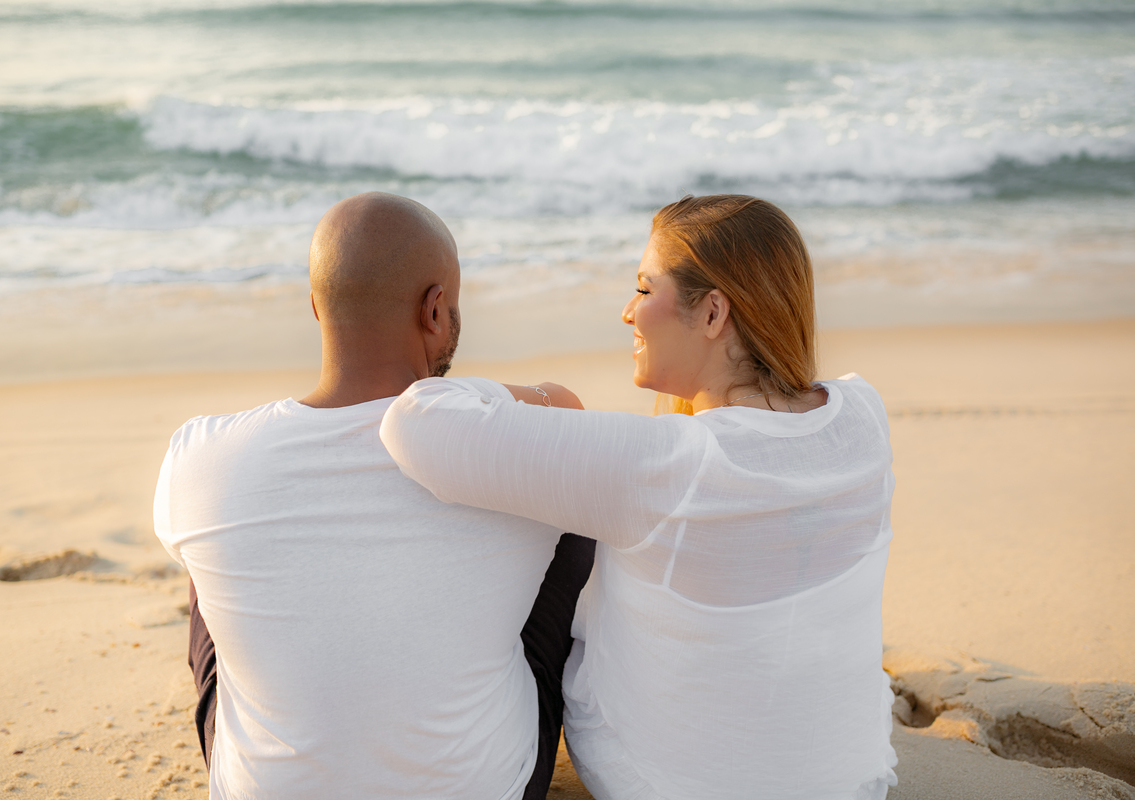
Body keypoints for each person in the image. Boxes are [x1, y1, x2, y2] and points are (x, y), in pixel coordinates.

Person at [380, 195, 899, 799]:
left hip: (665, 784)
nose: (628, 311)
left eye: (644, 289)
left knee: (561, 517)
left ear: (713, 312)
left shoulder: (665, 464)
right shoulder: (862, 414)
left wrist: (549, 397)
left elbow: (416, 421)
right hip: (852, 784)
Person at [153, 192, 594, 799]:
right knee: (574, 507)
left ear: (316, 306)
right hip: (491, 787)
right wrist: (481, 395)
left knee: (210, 554)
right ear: (435, 310)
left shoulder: (200, 453)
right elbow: (565, 406)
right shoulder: (508, 441)